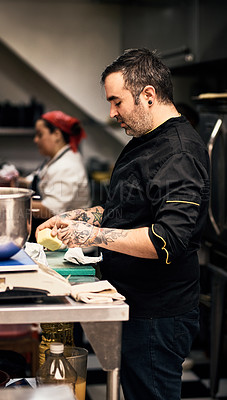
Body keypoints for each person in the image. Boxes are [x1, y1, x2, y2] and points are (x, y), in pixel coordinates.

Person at [36, 49, 210, 400]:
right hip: (132, 302)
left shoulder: (179, 152)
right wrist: (76, 217)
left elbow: (168, 239)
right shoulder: (146, 140)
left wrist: (94, 235)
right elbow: (126, 210)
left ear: (148, 95)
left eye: (116, 102)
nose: (111, 112)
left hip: (157, 316)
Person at [19, 110, 91, 241]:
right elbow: (37, 178)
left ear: (57, 134)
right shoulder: (54, 159)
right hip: (56, 238)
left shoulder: (67, 165)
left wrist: (14, 202)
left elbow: (50, 210)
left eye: (40, 135)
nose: (35, 140)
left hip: (71, 246)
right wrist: (16, 182)